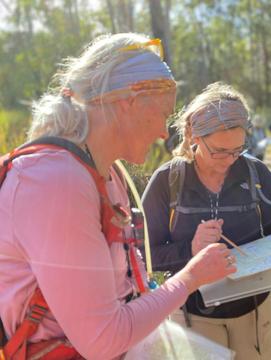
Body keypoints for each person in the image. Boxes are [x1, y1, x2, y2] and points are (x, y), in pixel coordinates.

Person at [0, 33, 235, 360]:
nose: (164, 134)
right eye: (164, 116)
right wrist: (191, 277)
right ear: (130, 103)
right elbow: (103, 341)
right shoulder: (57, 182)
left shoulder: (106, 172)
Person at [142, 82, 271, 360]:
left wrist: (258, 261)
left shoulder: (255, 173)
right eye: (220, 151)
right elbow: (145, 254)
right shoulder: (168, 181)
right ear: (193, 136)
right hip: (193, 316)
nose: (230, 160)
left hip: (254, 313)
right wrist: (191, 250)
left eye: (237, 149)